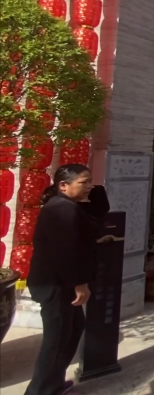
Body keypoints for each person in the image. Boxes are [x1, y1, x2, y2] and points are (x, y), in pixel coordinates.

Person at [26, 164, 109, 395]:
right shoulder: (61, 209)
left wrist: (95, 188)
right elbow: (65, 251)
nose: (88, 187)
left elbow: (99, 211)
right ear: (63, 185)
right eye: (84, 183)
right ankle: (40, 391)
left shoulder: (69, 206)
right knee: (56, 339)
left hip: (62, 282)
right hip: (56, 284)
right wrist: (79, 284)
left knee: (72, 329)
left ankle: (53, 384)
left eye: (90, 181)